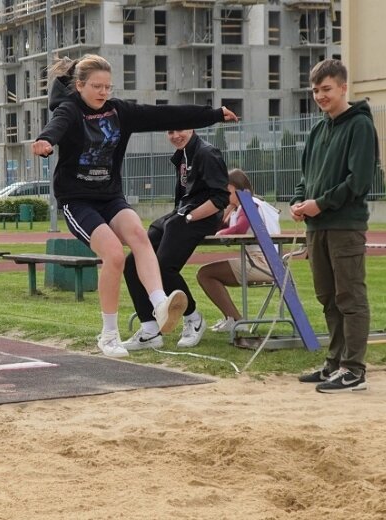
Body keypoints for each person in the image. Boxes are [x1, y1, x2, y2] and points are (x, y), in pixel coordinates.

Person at [31, 54, 238, 357]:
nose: (103, 92)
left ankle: (159, 304)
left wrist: (214, 114)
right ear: (80, 86)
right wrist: (45, 141)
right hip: (77, 200)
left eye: (107, 87)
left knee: (140, 238)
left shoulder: (119, 112)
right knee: (114, 255)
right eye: (97, 87)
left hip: (111, 196)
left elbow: (168, 115)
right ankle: (109, 334)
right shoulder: (70, 109)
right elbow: (57, 126)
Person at [290, 59, 377, 393]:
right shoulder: (317, 130)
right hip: (316, 227)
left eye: (326, 89)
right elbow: (305, 178)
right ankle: (334, 363)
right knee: (327, 296)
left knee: (350, 296)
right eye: (315, 90)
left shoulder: (360, 126)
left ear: (343, 87)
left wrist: (321, 203)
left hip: (345, 225)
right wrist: (300, 203)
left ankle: (354, 369)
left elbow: (359, 181)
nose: (320, 96)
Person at [121, 129, 229, 351]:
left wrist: (189, 216)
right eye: (170, 131)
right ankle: (150, 330)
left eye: (180, 130)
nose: (175, 135)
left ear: (192, 128)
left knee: (162, 266)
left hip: (201, 217)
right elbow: (183, 196)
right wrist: (179, 214)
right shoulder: (182, 154)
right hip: (179, 214)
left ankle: (194, 318)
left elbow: (220, 199)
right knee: (133, 262)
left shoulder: (208, 153)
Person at [195, 169, 281, 333]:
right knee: (207, 273)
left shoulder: (249, 204)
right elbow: (220, 226)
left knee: (205, 274)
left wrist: (221, 232)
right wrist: (228, 208)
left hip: (263, 263)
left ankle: (236, 320)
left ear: (239, 189)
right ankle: (233, 318)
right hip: (269, 261)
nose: (225, 197)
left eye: (228, 193)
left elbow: (239, 228)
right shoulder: (249, 205)